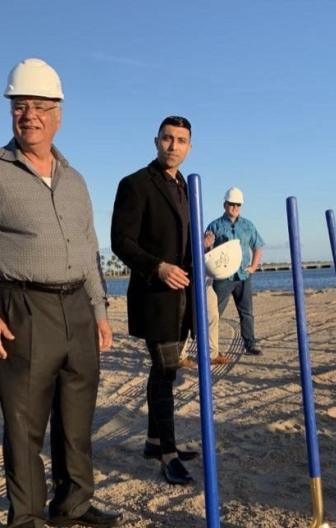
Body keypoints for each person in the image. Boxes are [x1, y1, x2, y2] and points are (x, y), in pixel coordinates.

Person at [0, 58, 122, 528]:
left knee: (76, 415)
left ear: (58, 113)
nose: (31, 116)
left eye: (41, 107)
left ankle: (73, 503)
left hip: (77, 308)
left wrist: (101, 309)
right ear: (11, 111)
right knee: (24, 419)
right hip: (21, 305)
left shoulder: (75, 179)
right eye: (21, 107)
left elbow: (89, 250)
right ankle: (25, 518)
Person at [111, 115, 199, 486]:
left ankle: (152, 440)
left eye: (181, 140)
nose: (173, 145)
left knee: (166, 371)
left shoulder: (188, 188)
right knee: (164, 373)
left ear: (189, 146)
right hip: (155, 295)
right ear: (156, 141)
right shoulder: (135, 184)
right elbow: (121, 241)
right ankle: (168, 453)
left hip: (184, 297)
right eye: (167, 138)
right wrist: (158, 267)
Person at [209, 187, 265, 356]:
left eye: (238, 205)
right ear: (225, 205)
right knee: (214, 312)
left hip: (243, 276)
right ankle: (210, 346)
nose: (234, 207)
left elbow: (257, 246)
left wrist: (253, 267)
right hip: (223, 277)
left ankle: (250, 343)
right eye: (231, 204)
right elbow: (207, 250)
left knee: (246, 312)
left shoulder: (248, 225)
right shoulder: (215, 225)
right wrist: (206, 244)